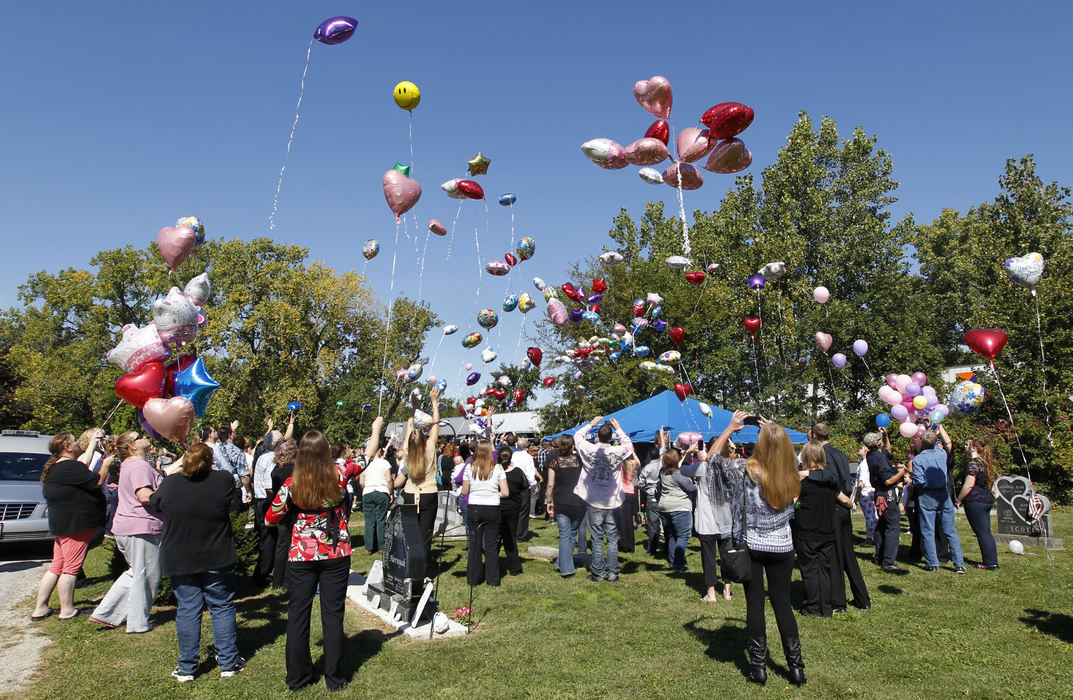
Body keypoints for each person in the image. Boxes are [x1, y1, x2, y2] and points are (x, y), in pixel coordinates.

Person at [709, 412, 805, 687]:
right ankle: (796, 667)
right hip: (782, 545)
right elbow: (787, 450)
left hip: (752, 544)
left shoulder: (745, 469)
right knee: (782, 604)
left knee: (755, 605)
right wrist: (774, 429)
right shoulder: (791, 473)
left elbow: (712, 459)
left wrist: (729, 429)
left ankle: (758, 667)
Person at [266, 430, 363, 692]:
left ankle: (298, 678)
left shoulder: (292, 484)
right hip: (336, 553)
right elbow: (362, 461)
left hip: (302, 554)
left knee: (298, 614)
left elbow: (269, 518)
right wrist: (376, 431)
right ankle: (335, 678)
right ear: (325, 451)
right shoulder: (339, 475)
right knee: (333, 615)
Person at [150, 443, 245, 683]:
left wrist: (172, 469)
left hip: (182, 555)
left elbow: (155, 502)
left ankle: (187, 667)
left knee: (188, 609)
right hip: (216, 554)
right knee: (221, 607)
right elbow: (233, 493)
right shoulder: (222, 480)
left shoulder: (171, 484)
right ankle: (228, 661)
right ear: (210, 460)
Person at [33, 430, 110, 621]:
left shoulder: (61, 466)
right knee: (71, 568)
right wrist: (107, 464)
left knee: (56, 567)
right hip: (75, 526)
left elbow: (82, 464)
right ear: (67, 446)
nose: (78, 444)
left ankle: (40, 608)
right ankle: (67, 610)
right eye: (75, 441)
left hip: (63, 525)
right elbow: (97, 481)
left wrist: (92, 443)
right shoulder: (68, 466)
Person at [91, 431, 164, 633]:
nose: (144, 435)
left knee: (135, 573)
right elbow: (145, 496)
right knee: (148, 576)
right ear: (132, 447)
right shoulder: (139, 465)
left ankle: (105, 613)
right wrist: (171, 497)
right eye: (139, 435)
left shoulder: (130, 465)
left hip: (127, 526)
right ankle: (138, 623)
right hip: (141, 527)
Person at [808, 424, 870, 612]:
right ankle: (862, 598)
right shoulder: (840, 453)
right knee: (847, 553)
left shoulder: (825, 455)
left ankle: (838, 601)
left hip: (834, 507)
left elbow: (831, 479)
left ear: (815, 435)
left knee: (835, 556)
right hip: (843, 509)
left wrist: (808, 474)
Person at [573, 416, 633, 582]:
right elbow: (629, 446)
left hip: (594, 501)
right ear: (611, 438)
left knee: (597, 539)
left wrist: (590, 425)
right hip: (612, 502)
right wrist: (619, 428)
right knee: (612, 539)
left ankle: (598, 573)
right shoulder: (617, 451)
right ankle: (612, 573)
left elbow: (577, 437)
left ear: (598, 436)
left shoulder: (589, 449)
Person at [394, 388, 441, 576]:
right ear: (424, 439)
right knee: (425, 534)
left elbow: (409, 426)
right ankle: (422, 568)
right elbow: (436, 423)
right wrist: (433, 401)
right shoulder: (430, 447)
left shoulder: (407, 450)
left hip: (410, 493)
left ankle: (408, 564)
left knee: (410, 534)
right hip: (429, 493)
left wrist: (413, 408)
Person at [682, 437, 734, 602]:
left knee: (709, 556)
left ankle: (711, 592)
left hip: (708, 519)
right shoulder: (732, 467)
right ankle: (727, 589)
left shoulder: (703, 467)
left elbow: (681, 470)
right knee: (726, 555)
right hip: (726, 518)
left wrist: (688, 454)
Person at [793, 442, 841, 617]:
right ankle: (825, 606)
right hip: (827, 528)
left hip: (807, 529)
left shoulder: (803, 480)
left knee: (810, 569)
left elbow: (793, 501)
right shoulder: (830, 479)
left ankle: (812, 605)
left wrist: (796, 504)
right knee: (824, 568)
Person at [913, 427, 965, 573]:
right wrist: (936, 429)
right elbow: (946, 443)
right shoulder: (942, 454)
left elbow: (918, 481)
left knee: (928, 530)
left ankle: (932, 563)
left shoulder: (919, 459)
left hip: (927, 495)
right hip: (943, 494)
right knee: (950, 531)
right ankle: (959, 563)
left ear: (922, 443)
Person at [462, 442, 508, 587]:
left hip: (475, 507)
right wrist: (494, 494)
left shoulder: (470, 468)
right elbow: (506, 492)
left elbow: (464, 491)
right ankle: (493, 579)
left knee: (474, 544)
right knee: (491, 545)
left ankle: (473, 579)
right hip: (492, 508)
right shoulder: (498, 468)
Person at [865, 429, 908, 573]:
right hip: (887, 494)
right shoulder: (879, 459)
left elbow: (887, 450)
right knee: (892, 527)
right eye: (880, 440)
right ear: (877, 444)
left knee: (882, 525)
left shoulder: (872, 454)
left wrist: (885, 435)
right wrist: (903, 471)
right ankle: (889, 561)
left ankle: (879, 556)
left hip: (879, 494)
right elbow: (888, 480)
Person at [545, 435, 585, 577]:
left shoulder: (554, 462)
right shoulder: (581, 461)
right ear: (572, 446)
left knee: (564, 534)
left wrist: (549, 502)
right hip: (578, 500)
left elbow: (550, 484)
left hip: (561, 500)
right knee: (572, 533)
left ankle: (566, 567)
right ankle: (564, 563)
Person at [956, 437, 999, 570]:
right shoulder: (985, 463)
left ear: (973, 448)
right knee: (986, 531)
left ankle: (989, 562)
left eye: (967, 444)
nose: (965, 446)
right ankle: (992, 560)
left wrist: (959, 498)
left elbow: (969, 485)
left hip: (975, 501)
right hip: (986, 499)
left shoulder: (973, 463)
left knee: (981, 532)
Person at [657, 445, 697, 572]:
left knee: (673, 535)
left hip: (664, 508)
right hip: (679, 507)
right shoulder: (678, 474)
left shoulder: (662, 472)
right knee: (682, 536)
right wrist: (695, 483)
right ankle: (679, 564)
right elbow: (691, 488)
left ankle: (673, 562)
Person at [252, 429, 284, 584]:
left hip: (260, 500)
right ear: (277, 444)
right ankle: (263, 573)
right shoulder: (272, 458)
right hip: (267, 501)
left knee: (265, 539)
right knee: (270, 540)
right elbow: (269, 486)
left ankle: (262, 571)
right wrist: (277, 506)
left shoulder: (262, 456)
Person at [268, 438, 298, 589]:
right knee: (292, 545)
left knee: (281, 545)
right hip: (293, 509)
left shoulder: (276, 469)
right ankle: (287, 580)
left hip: (280, 510)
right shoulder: (295, 469)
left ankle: (277, 580)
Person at [360, 417, 391, 554]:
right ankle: (380, 546)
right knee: (380, 520)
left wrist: (365, 488)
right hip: (381, 491)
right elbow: (389, 479)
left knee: (369, 521)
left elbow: (361, 481)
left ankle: (368, 547)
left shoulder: (366, 464)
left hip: (367, 492)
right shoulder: (384, 463)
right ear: (380, 450)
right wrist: (390, 493)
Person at [498, 447, 526, 576]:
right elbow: (525, 486)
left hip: (498, 507)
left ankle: (491, 563)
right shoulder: (517, 472)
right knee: (510, 537)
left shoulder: (495, 472)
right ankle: (514, 567)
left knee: (495, 538)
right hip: (513, 508)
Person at [510, 438, 538, 541]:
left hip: (514, 484)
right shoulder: (528, 457)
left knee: (515, 509)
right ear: (526, 446)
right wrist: (534, 486)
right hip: (524, 485)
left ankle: (514, 532)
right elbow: (530, 473)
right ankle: (521, 534)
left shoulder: (514, 456)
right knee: (523, 510)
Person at [615, 451, 640, 554]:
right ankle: (631, 544)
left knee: (622, 520)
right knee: (629, 519)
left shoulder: (619, 464)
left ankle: (625, 544)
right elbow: (638, 462)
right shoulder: (631, 464)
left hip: (621, 493)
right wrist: (633, 452)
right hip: (631, 492)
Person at [854, 445, 878, 544]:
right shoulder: (871, 461)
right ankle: (876, 535)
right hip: (872, 489)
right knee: (874, 514)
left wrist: (857, 495)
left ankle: (869, 537)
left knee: (869, 515)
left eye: (860, 448)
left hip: (865, 491)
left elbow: (861, 480)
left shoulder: (864, 463)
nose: (858, 450)